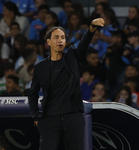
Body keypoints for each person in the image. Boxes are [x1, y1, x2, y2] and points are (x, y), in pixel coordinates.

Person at [28, 18, 105, 150]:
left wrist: (92, 28)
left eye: (63, 38)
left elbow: (83, 45)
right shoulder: (40, 67)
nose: (60, 40)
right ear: (49, 42)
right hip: (49, 119)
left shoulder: (72, 57)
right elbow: (33, 94)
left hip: (73, 117)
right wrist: (35, 115)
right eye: (56, 37)